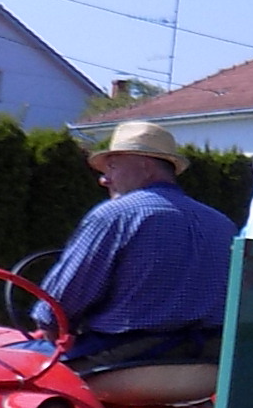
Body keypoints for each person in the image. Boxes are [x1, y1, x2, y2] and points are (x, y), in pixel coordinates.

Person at [33, 121, 235, 371]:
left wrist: (50, 328)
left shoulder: (117, 215)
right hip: (205, 362)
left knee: (0, 363)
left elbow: (56, 309)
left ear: (146, 167)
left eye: (113, 166)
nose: (104, 179)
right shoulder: (222, 223)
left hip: (128, 360)